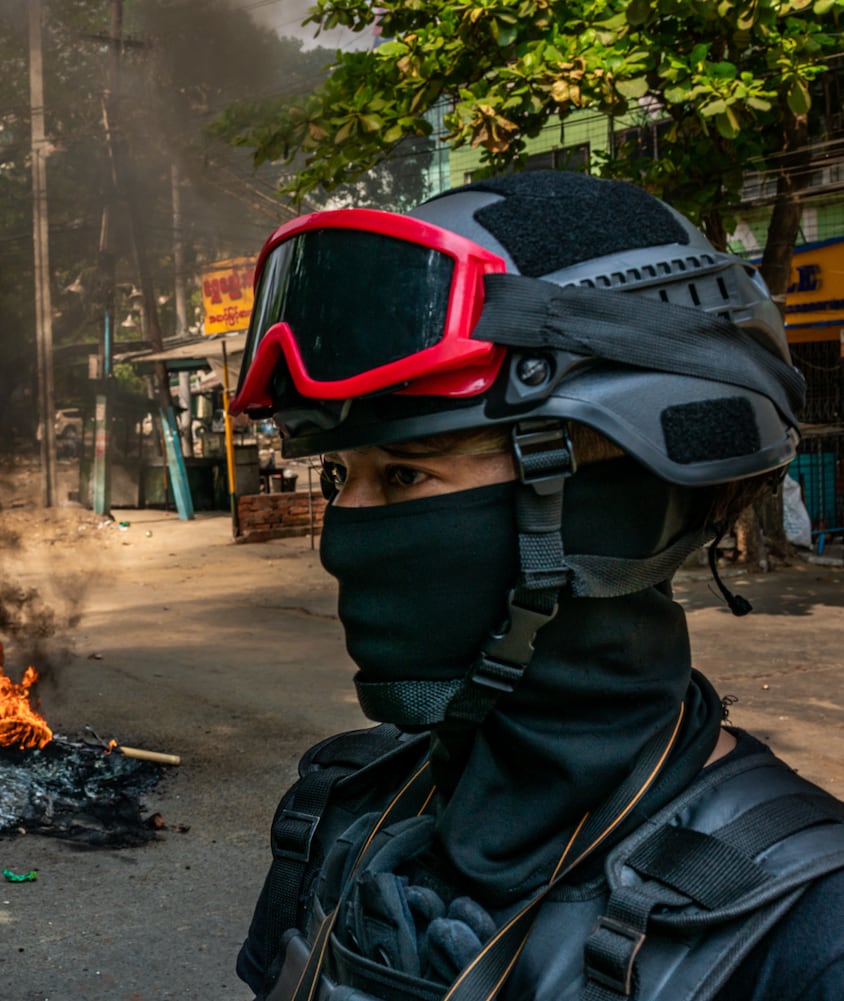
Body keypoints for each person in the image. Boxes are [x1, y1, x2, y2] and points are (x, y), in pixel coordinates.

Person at [228, 171, 844, 1001]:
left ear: (608, 502)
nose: (345, 532)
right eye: (342, 473)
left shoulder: (809, 932)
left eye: (406, 474)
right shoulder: (337, 811)